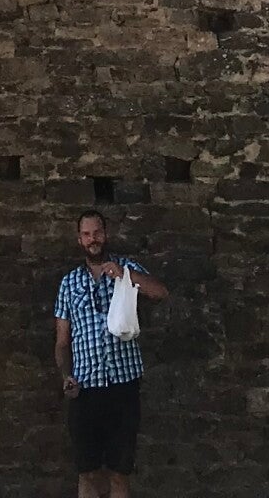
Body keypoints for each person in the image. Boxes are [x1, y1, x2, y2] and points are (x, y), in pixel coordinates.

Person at [53, 211, 168, 498]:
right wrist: (66, 375)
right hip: (86, 389)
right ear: (79, 239)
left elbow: (160, 292)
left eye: (97, 233)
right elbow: (62, 341)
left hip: (122, 388)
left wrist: (126, 276)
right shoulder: (69, 283)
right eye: (87, 234)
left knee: (119, 473)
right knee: (88, 473)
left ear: (106, 234)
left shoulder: (126, 267)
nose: (93, 239)